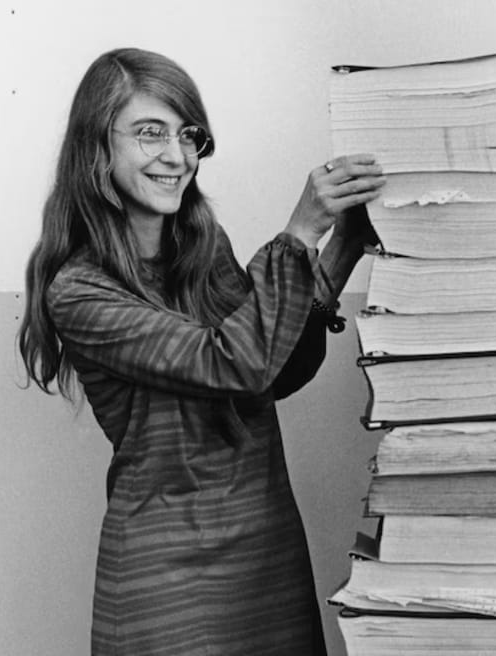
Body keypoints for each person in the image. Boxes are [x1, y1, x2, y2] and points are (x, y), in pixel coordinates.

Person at [19, 47, 386, 655]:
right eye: (149, 133)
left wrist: (342, 244)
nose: (176, 155)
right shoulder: (79, 290)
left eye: (188, 135)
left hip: (265, 548)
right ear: (97, 149)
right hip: (163, 567)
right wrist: (298, 232)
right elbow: (231, 363)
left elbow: (274, 372)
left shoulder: (203, 248)